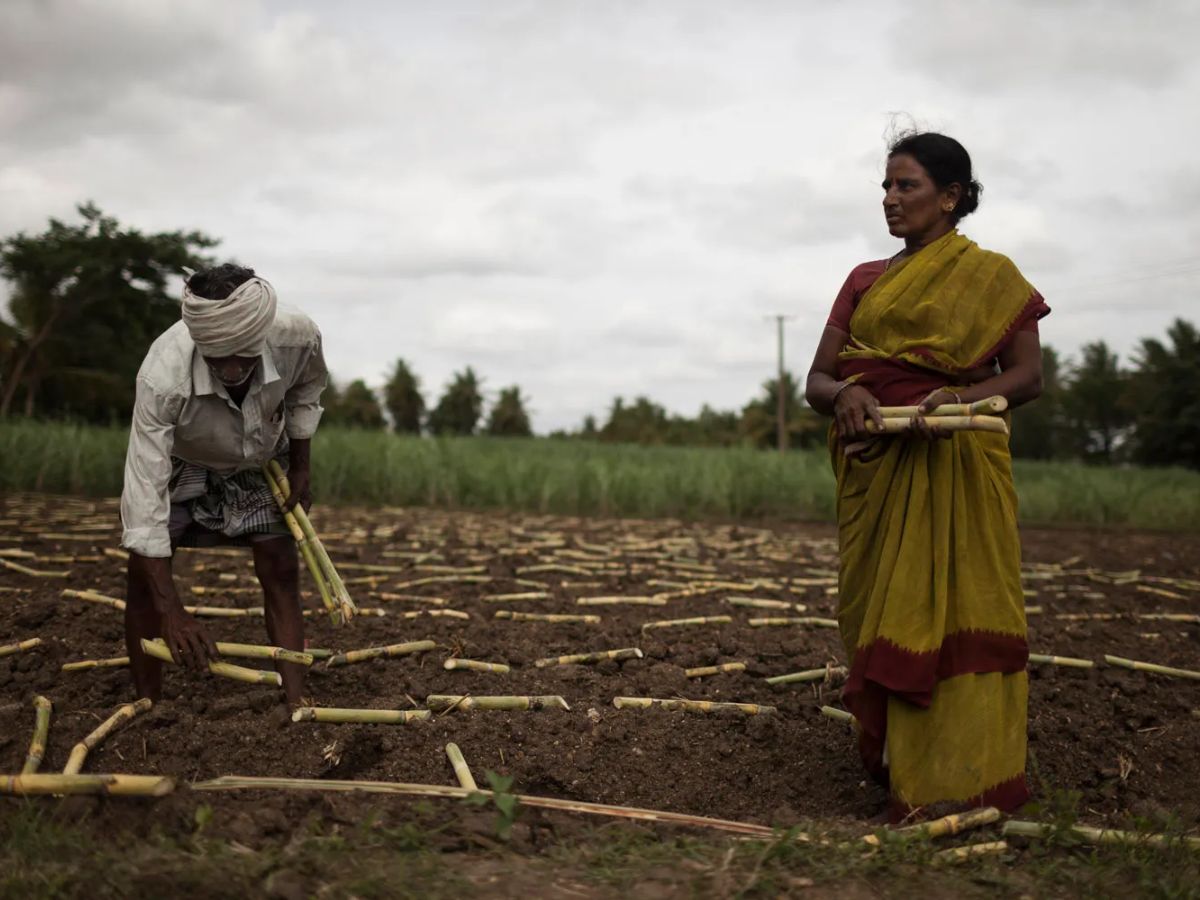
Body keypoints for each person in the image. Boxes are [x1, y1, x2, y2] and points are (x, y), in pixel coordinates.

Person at [805, 132, 1049, 822]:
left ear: (951, 197)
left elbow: (1027, 377)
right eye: (885, 187)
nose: (890, 199)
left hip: (958, 463)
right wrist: (846, 396)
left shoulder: (994, 278)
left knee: (959, 610)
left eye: (905, 186)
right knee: (880, 610)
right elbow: (818, 379)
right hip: (878, 468)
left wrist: (953, 402)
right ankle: (896, 766)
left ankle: (964, 778)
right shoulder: (863, 281)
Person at [120, 263, 328, 708]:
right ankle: (147, 705)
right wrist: (173, 613)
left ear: (260, 336)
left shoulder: (296, 336)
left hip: (258, 457)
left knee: (281, 567)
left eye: (242, 356)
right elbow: (142, 503)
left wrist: (301, 466)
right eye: (218, 358)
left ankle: (296, 702)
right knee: (143, 581)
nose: (232, 370)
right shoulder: (162, 377)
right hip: (184, 459)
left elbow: (306, 391)